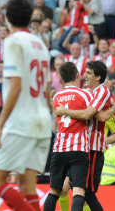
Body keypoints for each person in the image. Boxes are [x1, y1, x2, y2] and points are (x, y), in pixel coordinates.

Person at [0, 0, 51, 211]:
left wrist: (1, 125)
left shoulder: (13, 41)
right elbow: (47, 88)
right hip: (41, 121)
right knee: (27, 187)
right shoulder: (40, 44)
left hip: (21, 122)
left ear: (7, 18)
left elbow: (15, 86)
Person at [55, 60, 115, 211]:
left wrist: (65, 110)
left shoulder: (102, 92)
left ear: (98, 77)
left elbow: (98, 116)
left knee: (87, 193)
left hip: (93, 149)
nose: (85, 76)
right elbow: (94, 113)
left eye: (89, 73)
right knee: (68, 189)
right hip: (79, 147)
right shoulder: (86, 92)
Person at [44, 62, 93, 211]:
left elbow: (55, 123)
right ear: (77, 76)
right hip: (79, 148)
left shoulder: (57, 96)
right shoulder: (85, 94)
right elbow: (89, 118)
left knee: (54, 191)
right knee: (78, 191)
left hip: (59, 148)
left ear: (61, 79)